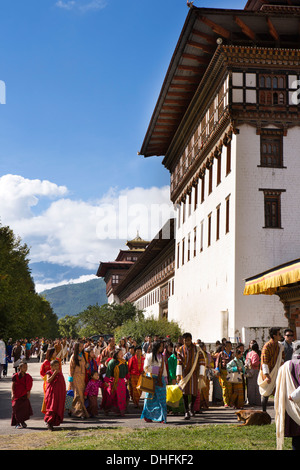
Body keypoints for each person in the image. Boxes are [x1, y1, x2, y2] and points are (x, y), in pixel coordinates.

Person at [275, 340, 300, 450]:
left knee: (296, 436)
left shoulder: (285, 366)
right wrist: (295, 396)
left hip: (290, 407)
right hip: (294, 400)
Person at [176, 332, 205, 420]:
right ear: (183, 340)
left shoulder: (197, 349)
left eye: (188, 340)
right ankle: (186, 411)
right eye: (185, 340)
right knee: (184, 392)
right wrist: (178, 375)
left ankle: (191, 408)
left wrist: (201, 373)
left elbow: (202, 361)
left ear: (191, 340)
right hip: (184, 374)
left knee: (194, 392)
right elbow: (179, 362)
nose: (187, 342)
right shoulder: (180, 349)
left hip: (194, 373)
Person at [258, 327, 284, 412]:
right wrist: (267, 375)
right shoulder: (267, 346)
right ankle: (264, 412)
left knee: (278, 391)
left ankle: (278, 411)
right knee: (266, 393)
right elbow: (264, 362)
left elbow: (281, 358)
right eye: (279, 334)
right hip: (268, 372)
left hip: (276, 371)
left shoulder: (279, 346)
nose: (280, 335)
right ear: (274, 335)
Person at [141, 340, 168, 423]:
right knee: (149, 399)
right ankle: (147, 416)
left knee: (162, 399)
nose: (162, 348)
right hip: (151, 379)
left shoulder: (162, 356)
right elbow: (145, 368)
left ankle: (162, 417)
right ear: (157, 347)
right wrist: (155, 369)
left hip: (160, 379)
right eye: (161, 346)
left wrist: (165, 378)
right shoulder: (149, 356)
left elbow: (163, 368)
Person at [103, 349, 129, 416]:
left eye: (122, 353)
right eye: (120, 353)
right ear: (116, 355)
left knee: (121, 397)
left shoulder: (123, 362)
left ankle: (121, 411)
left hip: (121, 382)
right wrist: (106, 382)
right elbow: (108, 372)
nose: (122, 354)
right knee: (111, 397)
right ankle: (107, 410)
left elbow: (126, 372)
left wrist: (127, 379)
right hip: (113, 382)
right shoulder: (112, 362)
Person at [44, 359, 66, 431]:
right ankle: (49, 423)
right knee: (52, 407)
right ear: (51, 367)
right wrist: (54, 374)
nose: (57, 367)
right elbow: (48, 381)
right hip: (52, 394)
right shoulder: (49, 372)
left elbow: (62, 383)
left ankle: (54, 423)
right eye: (55, 366)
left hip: (59, 394)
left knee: (57, 407)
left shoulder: (60, 373)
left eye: (58, 366)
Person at [69, 341, 90, 418]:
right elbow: (71, 369)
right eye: (80, 346)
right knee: (78, 394)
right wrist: (70, 379)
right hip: (75, 377)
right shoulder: (73, 356)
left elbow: (86, 366)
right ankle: (80, 412)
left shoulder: (84, 356)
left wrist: (87, 366)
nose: (81, 348)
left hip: (82, 377)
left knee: (81, 394)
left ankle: (72, 410)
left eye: (82, 346)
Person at [11, 362, 33, 429]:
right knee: (16, 409)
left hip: (24, 395)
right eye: (24, 367)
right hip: (17, 395)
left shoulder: (27, 376)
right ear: (20, 368)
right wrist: (12, 394)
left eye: (26, 367)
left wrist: (29, 392)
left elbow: (29, 385)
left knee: (24, 409)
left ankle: (22, 422)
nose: (26, 369)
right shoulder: (15, 376)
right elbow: (13, 386)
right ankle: (17, 423)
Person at [215, 340, 234, 408]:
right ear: (225, 347)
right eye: (228, 346)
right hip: (223, 372)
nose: (229, 347)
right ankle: (226, 402)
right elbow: (217, 363)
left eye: (230, 346)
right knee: (224, 388)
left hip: (231, 372)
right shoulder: (221, 354)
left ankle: (231, 402)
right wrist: (217, 370)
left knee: (230, 388)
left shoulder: (233, 354)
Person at [245, 342, 261, 406]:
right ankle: (256, 401)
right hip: (254, 370)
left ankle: (250, 400)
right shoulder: (255, 354)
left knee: (250, 386)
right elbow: (255, 363)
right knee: (256, 386)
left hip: (249, 370)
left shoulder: (248, 353)